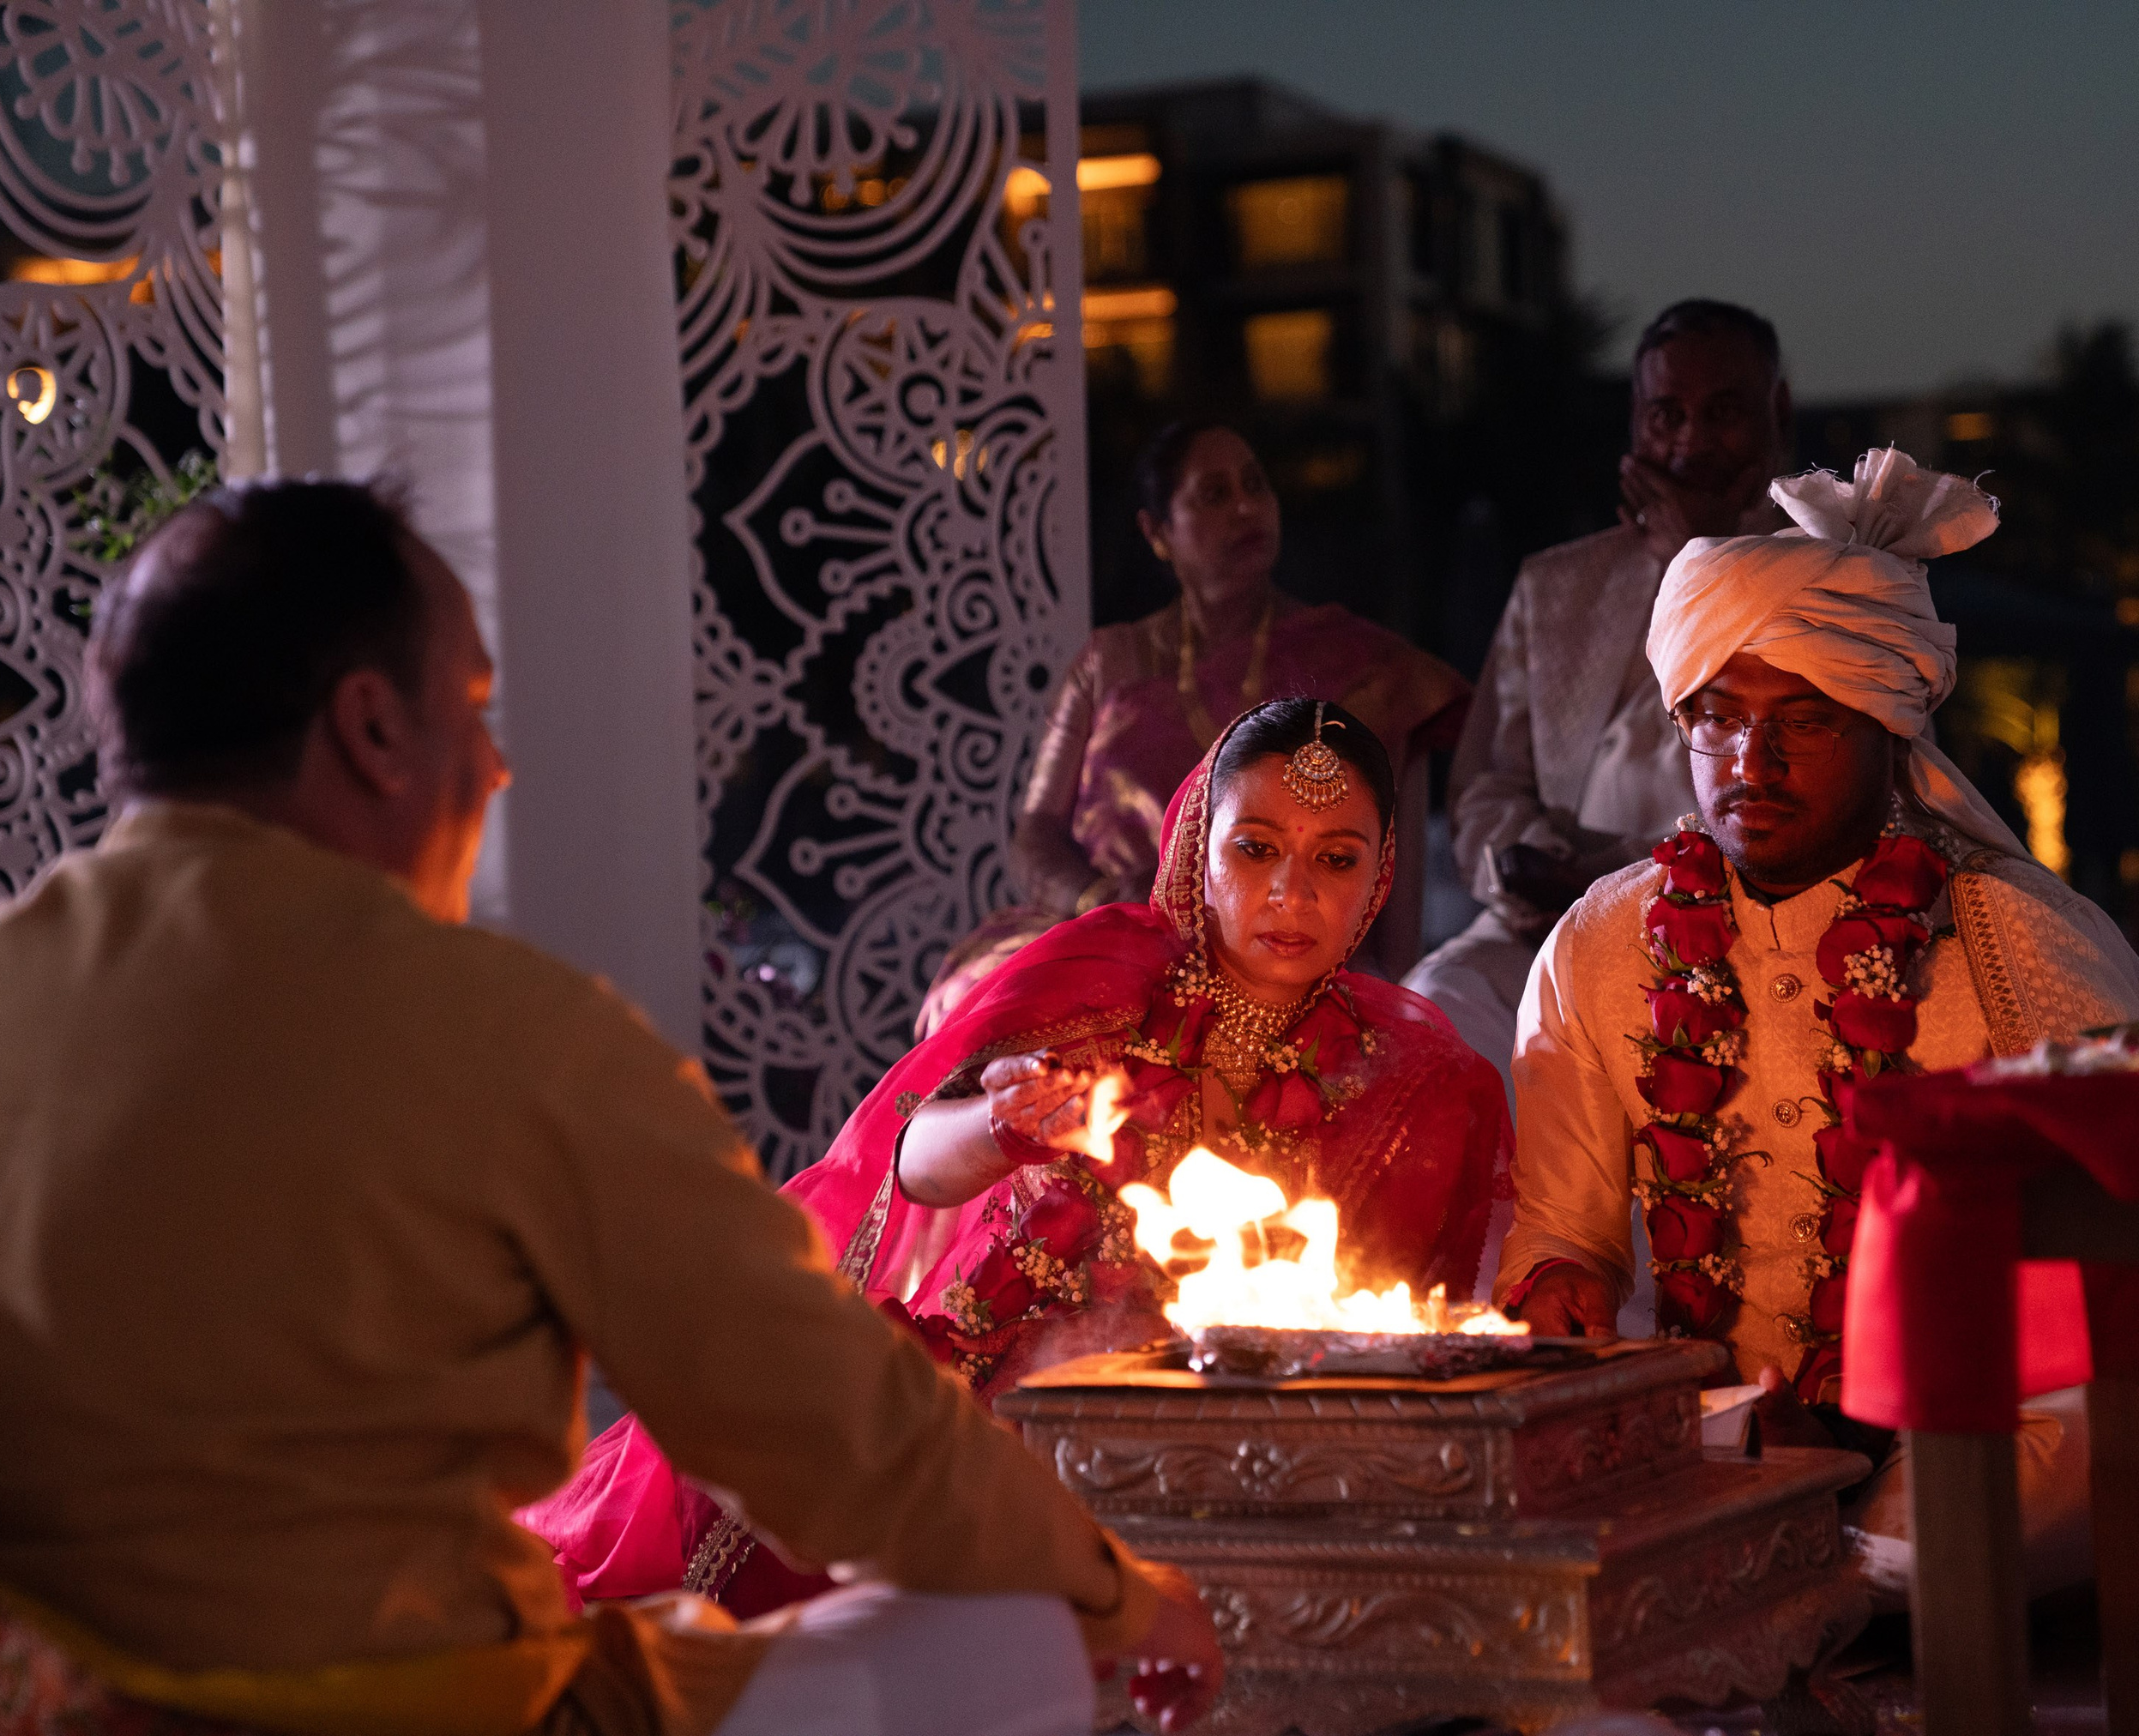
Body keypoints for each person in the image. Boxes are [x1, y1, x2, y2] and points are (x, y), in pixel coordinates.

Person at [0, 479, 1222, 1736]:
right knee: (1014, 1640)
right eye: (477, 712)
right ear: (373, 729)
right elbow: (831, 1443)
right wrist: (1123, 1598)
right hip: (429, 1705)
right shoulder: (513, 1035)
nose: (494, 770)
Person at [527, 696, 1511, 1620]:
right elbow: (903, 1163)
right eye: (1254, 849)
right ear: (1195, 850)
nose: (1291, 892)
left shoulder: (1414, 1079)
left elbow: (1375, 1335)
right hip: (977, 1394)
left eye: (1335, 860)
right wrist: (1003, 1127)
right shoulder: (1104, 974)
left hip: (1216, 1451)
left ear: (1381, 875)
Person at [1498, 448, 2139, 1602]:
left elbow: (2108, 1257)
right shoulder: (1599, 946)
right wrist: (1558, 1288)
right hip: (1703, 1440)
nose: (1754, 760)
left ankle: (1840, 1590)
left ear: (1888, 729)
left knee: (2070, 1446)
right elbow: (1564, 1231)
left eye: (1807, 718)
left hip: (1970, 1424)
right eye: (1720, 718)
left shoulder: (2016, 940)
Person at [916, 423, 1470, 1035]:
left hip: (1277, 940)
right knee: (994, 1003)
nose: (1245, 507)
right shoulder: (1111, 662)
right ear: (1157, 533)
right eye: (1213, 494)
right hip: (1115, 929)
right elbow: (1036, 831)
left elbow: (1388, 874)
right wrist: (1098, 903)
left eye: (1256, 486)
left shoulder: (1360, 665)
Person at [1408, 300, 1794, 1101]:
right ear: (1635, 424)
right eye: (1667, 416)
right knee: (1434, 1013)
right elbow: (1487, 785)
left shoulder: (1833, 580)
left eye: (1722, 413)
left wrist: (1702, 557)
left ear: (1777, 413)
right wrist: (1530, 865)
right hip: (1550, 928)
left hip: (1751, 932)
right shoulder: (1559, 585)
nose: (1689, 442)